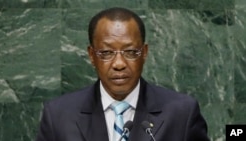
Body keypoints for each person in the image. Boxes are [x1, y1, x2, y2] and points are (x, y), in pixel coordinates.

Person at [36, 7, 210, 141]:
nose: (119, 64)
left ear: (144, 53)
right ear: (91, 55)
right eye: (106, 53)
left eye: (130, 52)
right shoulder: (59, 115)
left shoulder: (181, 113)